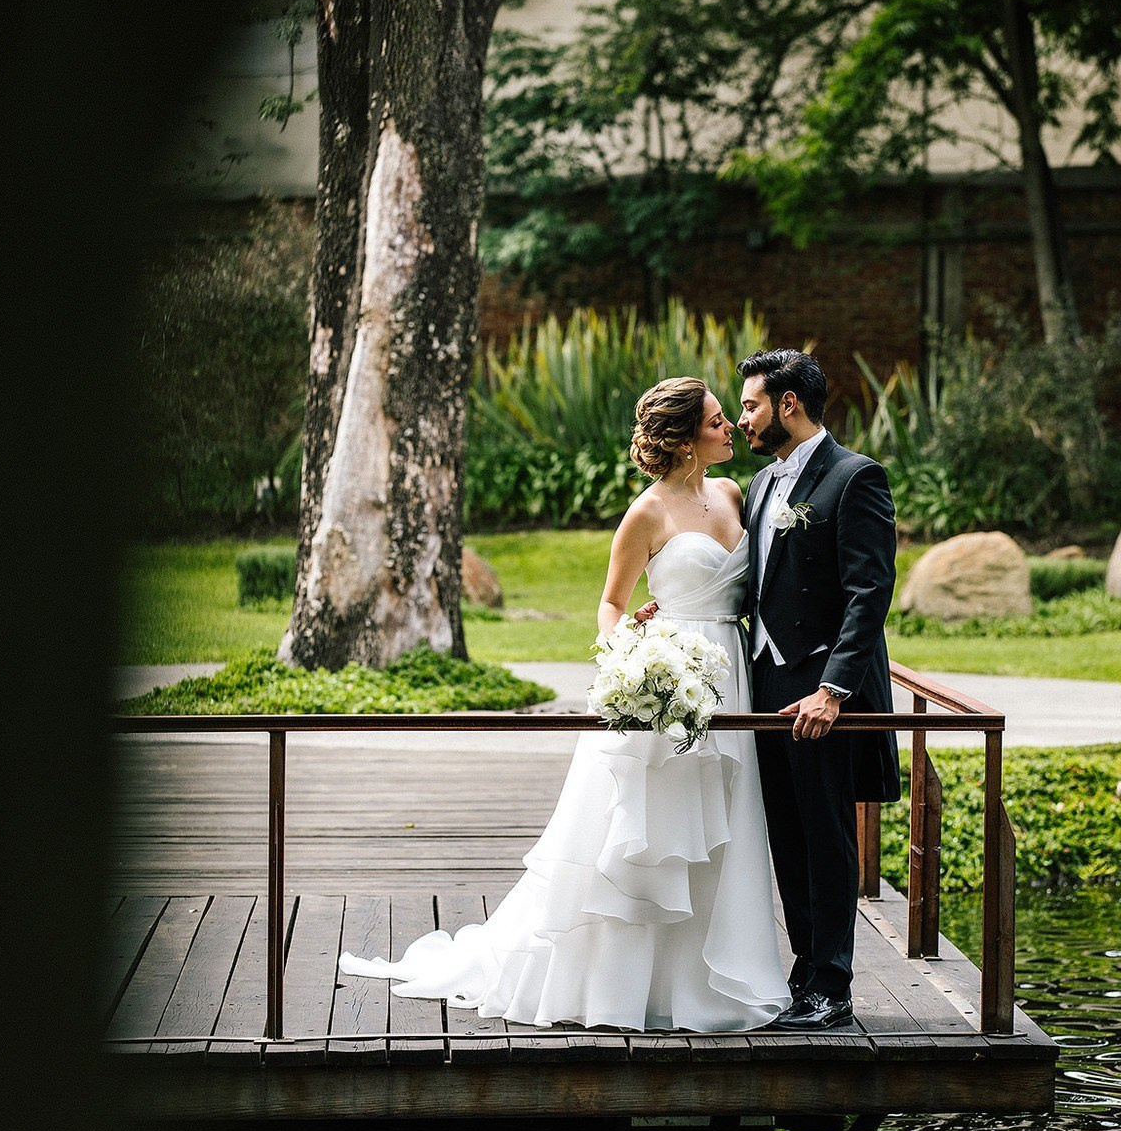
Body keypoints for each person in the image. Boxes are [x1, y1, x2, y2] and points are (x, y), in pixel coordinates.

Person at [338, 376, 792, 1032]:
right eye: (718, 421)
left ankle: (710, 982)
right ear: (687, 438)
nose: (731, 429)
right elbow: (611, 603)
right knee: (654, 833)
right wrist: (633, 657)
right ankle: (630, 988)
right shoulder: (647, 513)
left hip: (730, 674)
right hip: (670, 681)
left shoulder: (732, 494)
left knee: (723, 825)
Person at [733, 349, 901, 1031]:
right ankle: (804, 973)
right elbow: (757, 585)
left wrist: (834, 690)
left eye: (750, 405)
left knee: (828, 838)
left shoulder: (854, 478)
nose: (743, 418)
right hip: (767, 684)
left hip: (822, 694)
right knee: (787, 834)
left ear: (788, 405)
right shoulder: (761, 485)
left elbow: (869, 592)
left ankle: (832, 986)